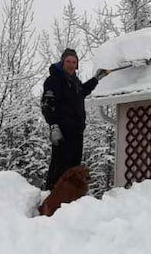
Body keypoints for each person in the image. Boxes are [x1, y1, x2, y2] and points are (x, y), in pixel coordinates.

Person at [41, 48, 109, 190]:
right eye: (68, 61)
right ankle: (52, 195)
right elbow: (48, 104)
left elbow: (82, 91)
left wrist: (96, 79)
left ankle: (69, 199)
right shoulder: (54, 79)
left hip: (76, 130)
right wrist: (54, 126)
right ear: (62, 62)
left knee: (74, 167)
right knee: (60, 165)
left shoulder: (74, 82)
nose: (71, 64)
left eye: (74, 62)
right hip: (62, 130)